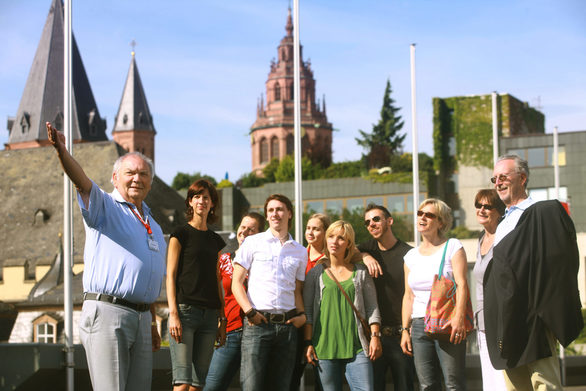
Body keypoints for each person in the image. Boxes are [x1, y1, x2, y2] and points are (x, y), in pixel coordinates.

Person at [46, 122, 165, 391]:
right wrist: (61, 150)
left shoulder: (153, 225)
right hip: (109, 311)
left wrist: (153, 321)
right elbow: (81, 182)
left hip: (142, 317)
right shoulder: (106, 207)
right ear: (115, 178)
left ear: (151, 181)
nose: (137, 178)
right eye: (130, 173)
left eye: (144, 174)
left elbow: (148, 274)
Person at [484, 155, 583, 391]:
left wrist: (546, 308)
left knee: (544, 383)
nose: (498, 182)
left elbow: (561, 260)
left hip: (534, 316)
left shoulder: (543, 213)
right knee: (515, 385)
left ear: (523, 178)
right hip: (508, 316)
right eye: (494, 178)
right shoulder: (503, 222)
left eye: (504, 177)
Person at [232, 194, 308, 390]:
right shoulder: (252, 243)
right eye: (271, 210)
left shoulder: (300, 251)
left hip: (287, 328)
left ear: (289, 213)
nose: (276, 213)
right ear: (266, 216)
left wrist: (302, 316)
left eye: (280, 209)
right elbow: (236, 283)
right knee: (252, 387)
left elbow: (297, 290)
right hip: (257, 325)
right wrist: (249, 312)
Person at [303, 220, 382, 391]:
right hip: (323, 347)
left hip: (357, 347)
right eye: (331, 236)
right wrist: (308, 342)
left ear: (349, 244)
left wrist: (375, 336)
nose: (334, 241)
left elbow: (372, 308)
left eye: (341, 238)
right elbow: (308, 312)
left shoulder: (360, 272)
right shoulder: (315, 273)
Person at [400, 198, 469, 391]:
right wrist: (405, 330)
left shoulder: (453, 246)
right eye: (420, 213)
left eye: (429, 215)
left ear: (441, 222)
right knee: (427, 385)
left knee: (454, 383)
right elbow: (408, 296)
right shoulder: (410, 256)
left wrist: (459, 318)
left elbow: (462, 284)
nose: (422, 217)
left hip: (447, 322)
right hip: (419, 325)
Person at [167, 179, 227, 391]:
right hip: (185, 313)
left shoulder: (215, 240)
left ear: (212, 204)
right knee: (182, 383)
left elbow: (216, 278)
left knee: (197, 385)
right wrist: (173, 314)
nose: (201, 201)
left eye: (206, 197)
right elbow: (170, 275)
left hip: (210, 316)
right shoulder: (180, 234)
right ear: (190, 202)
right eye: (197, 197)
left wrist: (222, 318)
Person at [204, 212, 265, 391]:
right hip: (230, 331)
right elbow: (214, 293)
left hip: (257, 331)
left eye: (251, 230)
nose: (244, 232)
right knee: (213, 386)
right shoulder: (224, 259)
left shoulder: (264, 261)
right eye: (242, 227)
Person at [358, 204, 415, 391]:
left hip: (402, 336)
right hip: (374, 336)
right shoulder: (367, 248)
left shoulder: (408, 253)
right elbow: (346, 250)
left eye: (376, 219)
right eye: (367, 222)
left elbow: (411, 295)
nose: (371, 224)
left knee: (404, 387)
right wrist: (365, 256)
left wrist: (407, 330)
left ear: (390, 221)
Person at [290, 213, 331, 391]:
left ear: (325, 232)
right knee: (293, 374)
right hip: (300, 322)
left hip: (324, 323)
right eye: (308, 228)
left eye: (316, 229)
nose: (310, 232)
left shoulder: (332, 259)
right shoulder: (299, 255)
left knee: (322, 378)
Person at [471, 189, 506, 391]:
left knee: (504, 379)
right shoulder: (480, 240)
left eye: (487, 206)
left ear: (499, 211)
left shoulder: (504, 237)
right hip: (483, 321)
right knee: (490, 379)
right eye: (478, 205)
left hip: (501, 320)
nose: (481, 210)